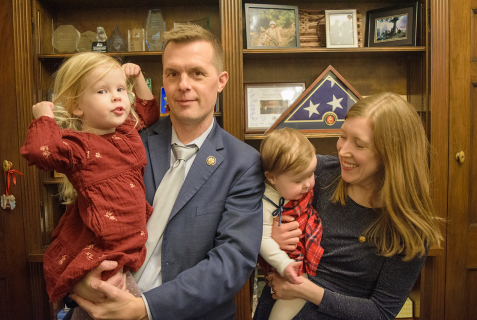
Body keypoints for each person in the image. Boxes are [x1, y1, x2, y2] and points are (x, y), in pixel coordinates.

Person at [69, 24, 265, 320]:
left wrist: (143, 308)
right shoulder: (126, 142)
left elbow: (232, 260)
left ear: (221, 80)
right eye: (173, 74)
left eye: (197, 73)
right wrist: (81, 277)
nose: (183, 85)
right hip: (99, 306)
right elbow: (81, 219)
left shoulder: (244, 163)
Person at [254, 92, 443, 320]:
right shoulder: (316, 173)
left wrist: (305, 290)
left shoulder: (411, 228)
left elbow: (381, 312)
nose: (343, 151)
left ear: (391, 155)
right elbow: (248, 207)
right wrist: (265, 236)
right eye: (342, 136)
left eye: (359, 145)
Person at [20, 53, 159, 305]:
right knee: (111, 303)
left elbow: (149, 113)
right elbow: (40, 151)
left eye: (120, 89)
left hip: (130, 242)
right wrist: (44, 116)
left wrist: (137, 78)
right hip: (104, 246)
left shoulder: (127, 130)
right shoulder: (78, 145)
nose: (117, 96)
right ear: (77, 106)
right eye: (102, 91)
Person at [258, 128, 323, 320]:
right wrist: (284, 263)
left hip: (304, 250)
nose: (308, 184)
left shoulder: (299, 186)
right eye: (299, 180)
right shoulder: (266, 202)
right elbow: (261, 239)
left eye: (311, 173)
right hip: (287, 262)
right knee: (295, 294)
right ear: (272, 178)